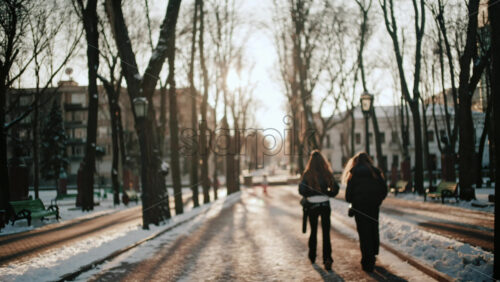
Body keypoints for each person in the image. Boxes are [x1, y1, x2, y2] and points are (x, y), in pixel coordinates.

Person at [342, 152, 387, 272]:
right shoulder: (375, 172)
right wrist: (377, 201)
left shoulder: (353, 173)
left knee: (364, 233)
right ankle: (373, 255)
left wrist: (354, 201)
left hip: (359, 208)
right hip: (373, 206)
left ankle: (366, 260)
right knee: (373, 229)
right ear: (368, 160)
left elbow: (348, 196)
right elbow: (384, 189)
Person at [299, 150, 339, 271]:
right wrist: (327, 193)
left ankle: (312, 256)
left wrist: (310, 194)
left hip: (312, 205)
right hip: (325, 204)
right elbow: (335, 189)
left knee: (314, 231)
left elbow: (301, 190)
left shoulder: (307, 174)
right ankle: (327, 258)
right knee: (326, 233)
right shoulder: (327, 172)